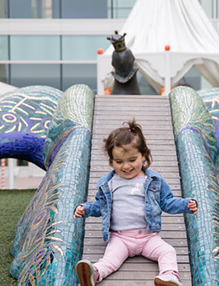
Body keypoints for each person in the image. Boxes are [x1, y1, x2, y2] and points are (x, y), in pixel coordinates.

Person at [73, 120, 197, 286]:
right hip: (120, 238)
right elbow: (100, 207)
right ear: (111, 161)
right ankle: (94, 274)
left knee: (167, 251)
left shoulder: (153, 181)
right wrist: (85, 209)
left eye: (132, 160)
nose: (126, 166)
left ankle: (169, 276)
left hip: (147, 237)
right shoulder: (108, 184)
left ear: (143, 156)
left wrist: (185, 205)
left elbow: (166, 202)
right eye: (119, 162)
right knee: (110, 261)